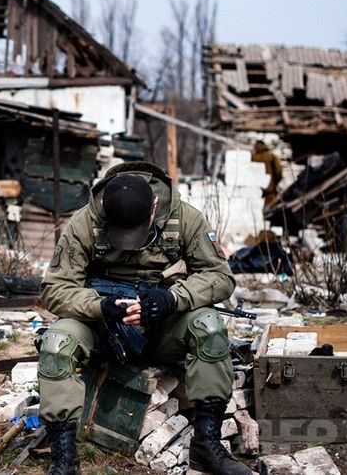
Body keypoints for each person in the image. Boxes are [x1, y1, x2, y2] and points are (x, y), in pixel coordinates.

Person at [38, 161, 251, 475]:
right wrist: (99, 305)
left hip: (162, 327)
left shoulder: (185, 219)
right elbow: (54, 289)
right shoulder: (85, 222)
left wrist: (172, 298)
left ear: (154, 206)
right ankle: (64, 460)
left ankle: (206, 444)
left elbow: (220, 278)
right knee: (57, 341)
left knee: (209, 326)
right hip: (100, 329)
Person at [251, 140, 283, 208]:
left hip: (255, 190)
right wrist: (275, 183)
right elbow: (278, 171)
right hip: (270, 190)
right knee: (270, 210)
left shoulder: (252, 157)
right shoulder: (271, 156)